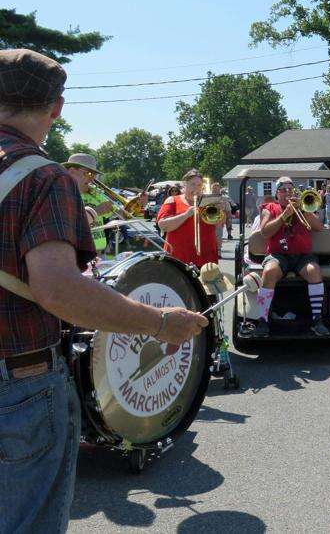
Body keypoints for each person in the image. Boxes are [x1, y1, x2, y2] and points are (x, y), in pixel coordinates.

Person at [0, 48, 207, 534]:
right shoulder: (42, 177)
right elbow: (58, 291)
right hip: (19, 383)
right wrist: (161, 322)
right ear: (57, 108)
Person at [244, 176, 329, 338]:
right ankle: (263, 320)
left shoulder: (305, 208)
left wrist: (305, 210)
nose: (288, 193)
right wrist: (284, 216)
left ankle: (317, 320)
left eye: (291, 190)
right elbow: (265, 232)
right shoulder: (269, 207)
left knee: (314, 271)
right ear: (277, 194)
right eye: (284, 190)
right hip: (278, 255)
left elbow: (318, 227)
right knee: (269, 272)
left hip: (303, 256)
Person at [156, 169, 220, 268]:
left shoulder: (208, 202)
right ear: (184, 185)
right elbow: (163, 225)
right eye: (193, 184)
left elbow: (219, 224)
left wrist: (220, 209)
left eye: (199, 185)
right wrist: (186, 214)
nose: (196, 188)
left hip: (207, 258)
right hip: (179, 258)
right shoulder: (172, 200)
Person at [211, 182, 232, 257]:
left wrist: (229, 221)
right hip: (208, 220)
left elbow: (228, 210)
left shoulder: (224, 198)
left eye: (217, 188)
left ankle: (218, 252)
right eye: (213, 188)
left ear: (219, 189)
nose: (215, 190)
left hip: (219, 221)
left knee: (218, 236)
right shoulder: (206, 197)